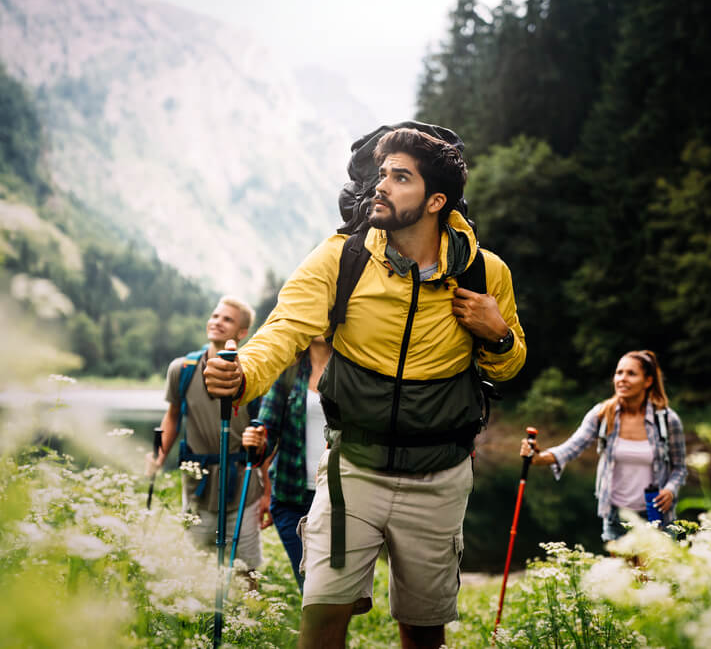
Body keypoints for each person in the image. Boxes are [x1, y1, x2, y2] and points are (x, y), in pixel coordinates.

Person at [205, 128, 527, 649]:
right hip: (351, 469)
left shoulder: (484, 272)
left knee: (423, 635)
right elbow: (284, 328)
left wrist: (498, 332)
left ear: (435, 200)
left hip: (440, 478)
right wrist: (242, 374)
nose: (382, 186)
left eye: (401, 177)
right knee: (320, 621)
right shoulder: (342, 258)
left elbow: (510, 366)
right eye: (382, 174)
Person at [145, 296, 268, 573]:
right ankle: (199, 617)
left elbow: (266, 436)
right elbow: (173, 417)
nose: (217, 322)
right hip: (197, 484)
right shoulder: (183, 370)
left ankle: (246, 616)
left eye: (228, 319)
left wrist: (267, 491)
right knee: (195, 568)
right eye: (215, 316)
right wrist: (159, 456)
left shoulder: (253, 374)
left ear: (242, 332)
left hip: (243, 487)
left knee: (245, 570)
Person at [519, 350, 686, 542]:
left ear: (648, 381)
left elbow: (680, 468)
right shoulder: (603, 414)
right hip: (615, 516)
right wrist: (538, 458)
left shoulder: (666, 420)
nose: (622, 379)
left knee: (650, 573)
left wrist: (671, 490)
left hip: (655, 517)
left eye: (631, 374)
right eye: (619, 372)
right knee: (621, 573)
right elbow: (572, 447)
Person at [257, 335, 332, 591]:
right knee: (309, 585)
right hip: (291, 498)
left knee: (330, 587)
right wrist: (256, 442)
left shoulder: (353, 369)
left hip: (337, 498)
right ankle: (315, 631)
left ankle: (327, 631)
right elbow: (267, 432)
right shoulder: (288, 372)